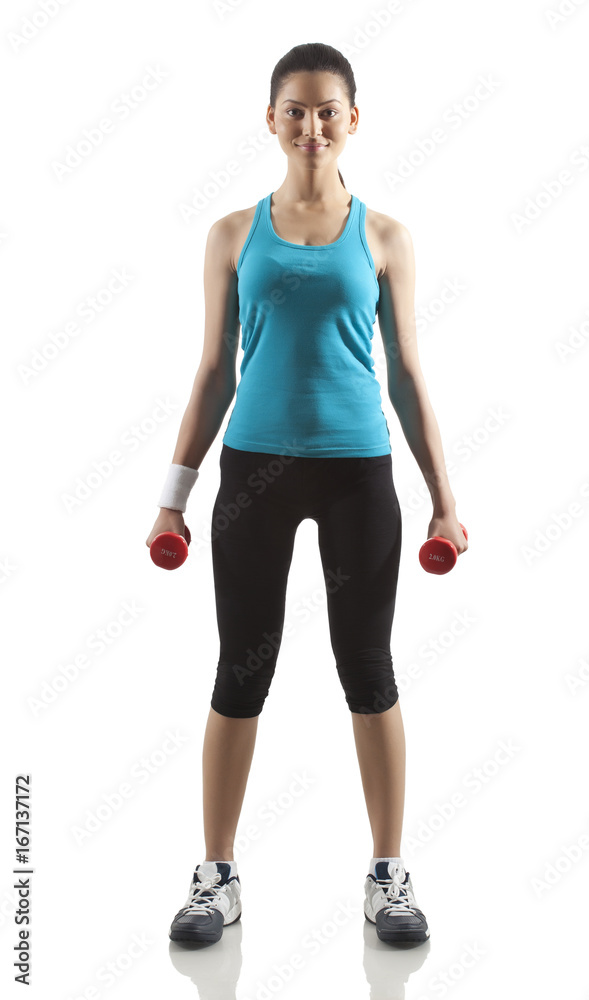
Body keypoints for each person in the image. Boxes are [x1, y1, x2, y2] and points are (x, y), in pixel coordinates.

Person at [146, 41, 467, 948]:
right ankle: (215, 878)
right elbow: (213, 372)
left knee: (367, 671)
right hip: (252, 473)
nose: (312, 124)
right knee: (240, 671)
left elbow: (406, 374)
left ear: (353, 119)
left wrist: (444, 498)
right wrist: (174, 495)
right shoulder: (230, 236)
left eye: (328, 109)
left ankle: (388, 877)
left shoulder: (386, 237)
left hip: (358, 471)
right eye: (295, 109)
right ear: (271, 119)